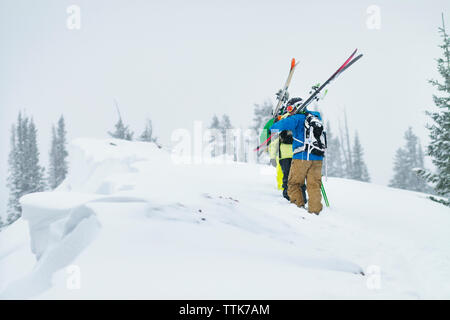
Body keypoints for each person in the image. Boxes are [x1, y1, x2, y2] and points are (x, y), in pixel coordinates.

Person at [270, 104, 325, 215]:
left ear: (296, 108)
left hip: (301, 157)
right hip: (317, 157)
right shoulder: (315, 118)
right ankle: (315, 212)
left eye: (290, 108)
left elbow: (275, 127)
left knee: (294, 183)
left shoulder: (296, 118)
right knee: (314, 185)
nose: (289, 111)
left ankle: (297, 210)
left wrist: (283, 118)